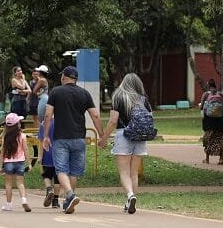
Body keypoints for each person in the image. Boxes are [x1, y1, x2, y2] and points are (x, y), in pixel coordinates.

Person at [41, 66, 105, 214]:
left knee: (61, 170)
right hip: (79, 138)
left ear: (64, 77)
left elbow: (48, 115)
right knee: (74, 172)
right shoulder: (84, 93)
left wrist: (45, 136)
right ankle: (68, 202)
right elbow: (95, 115)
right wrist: (102, 135)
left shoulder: (56, 91)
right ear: (75, 79)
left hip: (61, 138)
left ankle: (70, 194)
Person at [98, 73, 152, 214]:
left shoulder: (119, 97)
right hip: (140, 136)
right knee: (134, 173)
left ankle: (130, 195)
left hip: (123, 135)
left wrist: (104, 138)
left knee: (124, 172)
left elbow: (113, 121)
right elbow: (150, 118)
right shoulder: (143, 99)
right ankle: (131, 201)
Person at [0, 113, 31, 212]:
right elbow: (25, 149)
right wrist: (29, 163)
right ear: (17, 125)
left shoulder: (5, 136)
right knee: (20, 183)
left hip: (8, 163)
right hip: (20, 162)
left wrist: (1, 166)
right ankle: (24, 200)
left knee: (8, 184)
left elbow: (2, 152)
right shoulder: (22, 136)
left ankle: (9, 205)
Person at [198, 79, 223, 165]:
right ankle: (221, 159)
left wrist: (203, 106)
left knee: (208, 137)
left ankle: (207, 159)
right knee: (219, 138)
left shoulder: (206, 94)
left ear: (208, 85)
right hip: (220, 120)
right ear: (215, 85)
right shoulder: (221, 94)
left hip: (209, 120)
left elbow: (201, 108)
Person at [38, 118, 60, 208]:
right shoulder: (62, 122)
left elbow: (41, 140)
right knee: (57, 179)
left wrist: (40, 156)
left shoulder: (44, 123)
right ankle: (55, 201)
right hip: (60, 155)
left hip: (47, 154)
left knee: (46, 175)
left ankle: (49, 188)